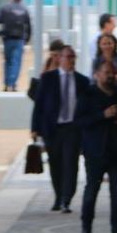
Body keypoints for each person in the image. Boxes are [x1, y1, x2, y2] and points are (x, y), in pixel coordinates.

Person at [75, 61, 117, 233]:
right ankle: (86, 231)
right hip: (95, 151)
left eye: (112, 72)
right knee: (91, 190)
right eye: (106, 72)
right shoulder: (88, 94)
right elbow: (79, 121)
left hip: (116, 151)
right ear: (97, 74)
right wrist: (103, 115)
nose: (109, 75)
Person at [31, 46, 89, 213]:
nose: (71, 60)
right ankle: (58, 196)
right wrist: (35, 128)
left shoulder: (82, 81)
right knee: (55, 163)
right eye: (68, 56)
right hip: (53, 128)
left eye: (73, 57)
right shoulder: (48, 79)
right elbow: (39, 105)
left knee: (71, 163)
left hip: (73, 128)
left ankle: (66, 199)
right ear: (60, 58)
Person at [0, 0, 31, 91]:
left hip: (7, 39)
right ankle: (13, 83)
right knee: (16, 62)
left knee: (7, 61)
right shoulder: (25, 10)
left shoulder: (5, 8)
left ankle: (6, 84)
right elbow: (28, 26)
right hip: (19, 39)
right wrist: (27, 39)